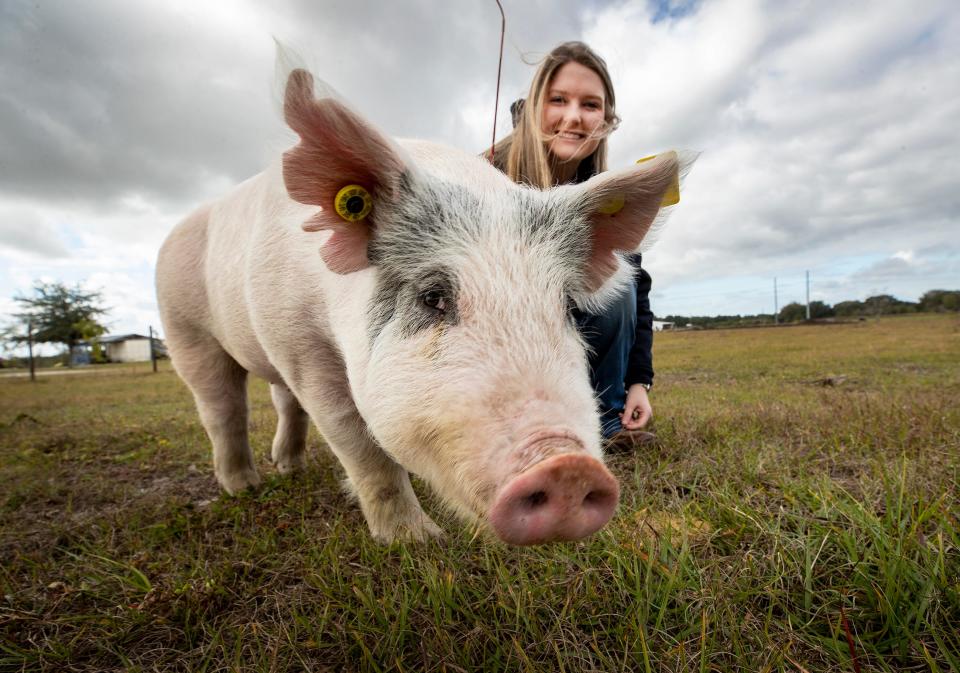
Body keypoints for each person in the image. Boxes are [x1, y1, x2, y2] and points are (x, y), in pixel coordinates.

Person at [488, 41, 656, 451]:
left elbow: (640, 292)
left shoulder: (607, 198)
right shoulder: (485, 176)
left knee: (622, 278)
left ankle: (605, 421)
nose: (574, 117)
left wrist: (639, 382)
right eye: (558, 100)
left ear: (606, 119)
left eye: (590, 105)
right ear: (532, 107)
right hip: (499, 340)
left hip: (574, 329)